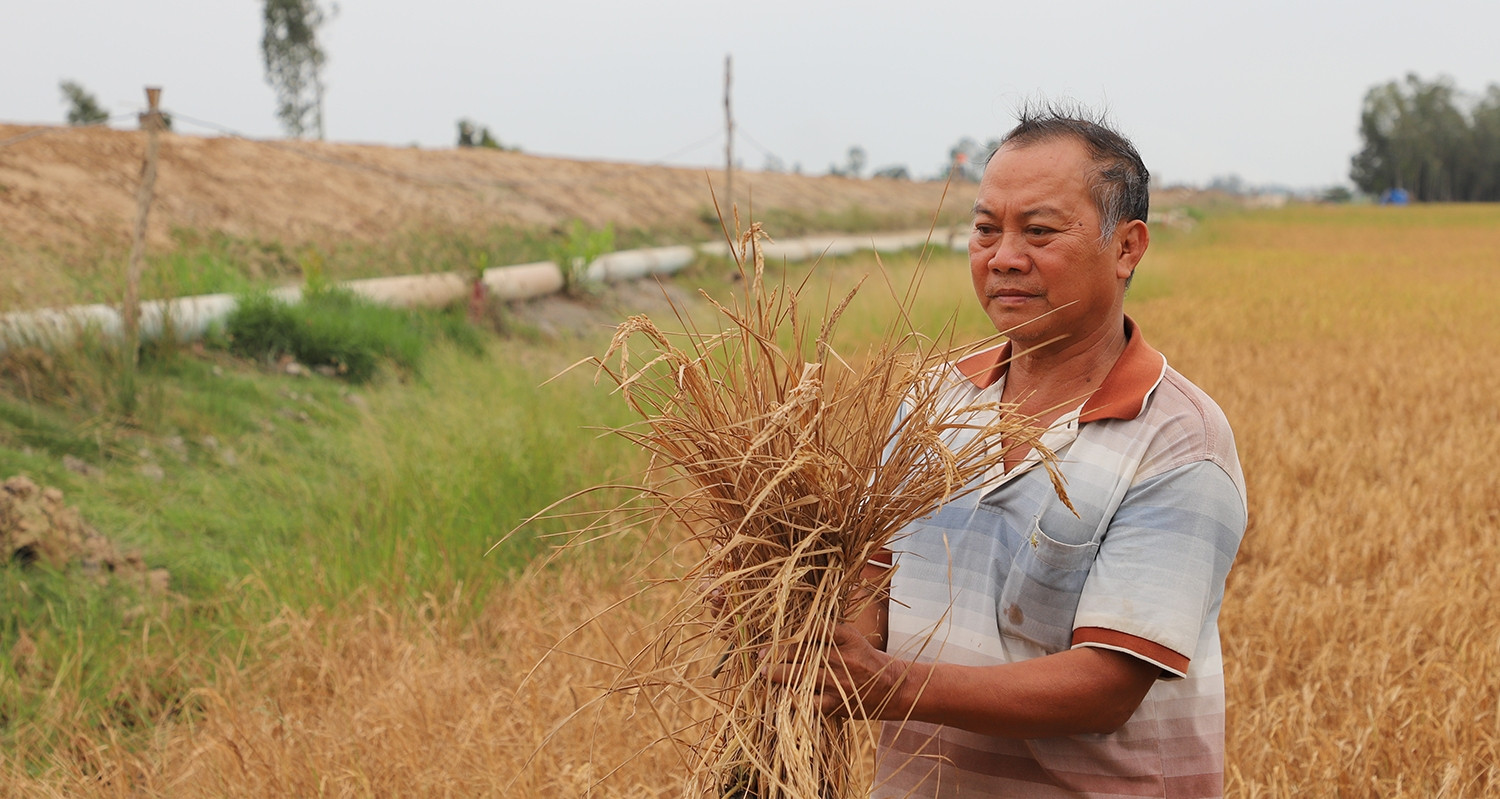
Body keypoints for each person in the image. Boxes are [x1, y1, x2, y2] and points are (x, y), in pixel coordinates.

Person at [792, 107, 1248, 798]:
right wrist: (807, 635)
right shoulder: (933, 403)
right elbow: (873, 582)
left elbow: (1104, 686)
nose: (1003, 256)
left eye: (1038, 230)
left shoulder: (1178, 437)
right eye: (985, 229)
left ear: (1127, 247)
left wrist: (883, 681)